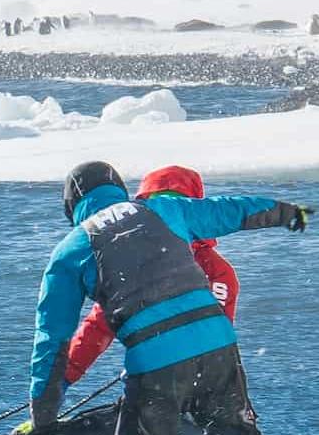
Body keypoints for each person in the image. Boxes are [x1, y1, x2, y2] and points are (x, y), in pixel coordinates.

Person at [26, 158, 310, 435]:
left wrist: (44, 415)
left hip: (157, 364)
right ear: (120, 189)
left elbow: (53, 339)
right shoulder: (165, 211)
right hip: (219, 350)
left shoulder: (71, 250)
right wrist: (290, 212)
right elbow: (233, 210)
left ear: (72, 206)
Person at [61, 164, 235, 385]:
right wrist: (59, 383)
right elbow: (96, 329)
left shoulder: (216, 272)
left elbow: (212, 335)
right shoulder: (129, 264)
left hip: (202, 384)